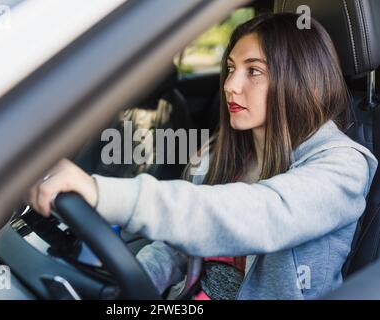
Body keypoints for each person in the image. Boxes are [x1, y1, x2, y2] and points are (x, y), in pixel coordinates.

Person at [27, 13, 378, 299]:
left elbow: (254, 214)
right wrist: (131, 286)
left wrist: (103, 193)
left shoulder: (342, 167)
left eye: (253, 71)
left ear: (304, 80)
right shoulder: (220, 151)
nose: (229, 85)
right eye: (229, 68)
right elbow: (178, 246)